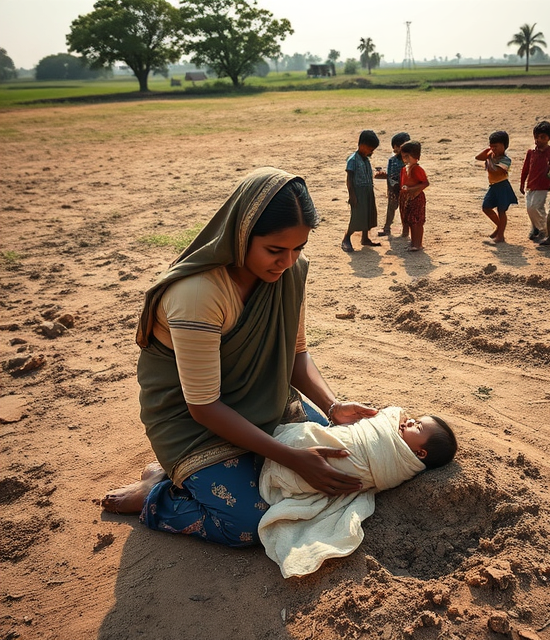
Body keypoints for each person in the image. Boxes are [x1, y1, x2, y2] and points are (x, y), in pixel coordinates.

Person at [100, 167, 378, 547]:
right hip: (192, 422)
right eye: (275, 250)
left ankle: (190, 476)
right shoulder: (198, 294)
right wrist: (293, 459)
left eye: (299, 248)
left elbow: (296, 355)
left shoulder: (291, 273)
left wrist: (333, 406)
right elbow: (204, 406)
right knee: (253, 522)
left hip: (265, 400)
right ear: (241, 235)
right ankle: (155, 493)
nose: (287, 261)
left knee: (339, 461)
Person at [258, 406, 458, 577]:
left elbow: (375, 448)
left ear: (420, 453)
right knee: (310, 439)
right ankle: (284, 452)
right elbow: (378, 423)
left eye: (418, 426)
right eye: (416, 420)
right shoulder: (393, 427)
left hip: (311, 463)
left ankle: (282, 463)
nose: (411, 421)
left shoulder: (399, 463)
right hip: (298, 448)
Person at [342, 130, 381, 252]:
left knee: (368, 214)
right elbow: (349, 179)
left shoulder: (366, 159)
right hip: (358, 192)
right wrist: (352, 195)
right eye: (370, 148)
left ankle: (365, 238)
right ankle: (346, 238)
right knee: (357, 216)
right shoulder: (353, 159)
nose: (371, 152)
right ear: (361, 145)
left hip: (368, 190)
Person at [476, 130, 518, 243]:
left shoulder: (506, 160)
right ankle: (500, 228)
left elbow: (496, 171)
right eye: (491, 146)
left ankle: (500, 235)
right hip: (493, 186)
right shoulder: (491, 155)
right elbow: (478, 157)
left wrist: (488, 158)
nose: (493, 149)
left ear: (504, 146)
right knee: (486, 207)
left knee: (501, 210)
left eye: (496, 146)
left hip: (502, 187)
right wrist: (488, 151)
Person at [519, 120, 550, 242]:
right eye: (536, 137)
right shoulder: (531, 152)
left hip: (543, 185)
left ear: (548, 138)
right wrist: (522, 183)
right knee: (530, 208)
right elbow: (525, 168)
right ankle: (535, 227)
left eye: (542, 137)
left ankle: (544, 230)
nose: (538, 140)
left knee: (536, 207)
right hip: (531, 185)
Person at [374, 131, 411, 236]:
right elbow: (390, 174)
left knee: (405, 210)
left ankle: (405, 230)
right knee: (391, 208)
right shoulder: (392, 160)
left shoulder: (409, 160)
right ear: (395, 147)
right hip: (392, 190)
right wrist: (383, 175)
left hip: (405, 190)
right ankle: (387, 228)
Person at [398, 141, 430, 251]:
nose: (405, 158)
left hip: (416, 198)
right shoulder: (405, 169)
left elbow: (425, 183)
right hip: (407, 198)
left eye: (407, 156)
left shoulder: (417, 169)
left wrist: (411, 190)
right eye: (404, 156)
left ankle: (418, 244)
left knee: (417, 222)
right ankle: (413, 242)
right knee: (411, 221)